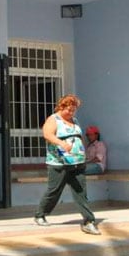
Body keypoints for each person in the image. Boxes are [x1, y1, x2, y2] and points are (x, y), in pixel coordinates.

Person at [34, 94, 101, 235]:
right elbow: (47, 134)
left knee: (81, 192)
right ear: (61, 106)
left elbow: (78, 137)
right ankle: (40, 214)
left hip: (77, 163)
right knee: (54, 190)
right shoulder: (54, 119)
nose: (71, 113)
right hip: (59, 163)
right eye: (69, 110)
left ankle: (89, 221)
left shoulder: (75, 120)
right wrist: (61, 143)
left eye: (74, 110)